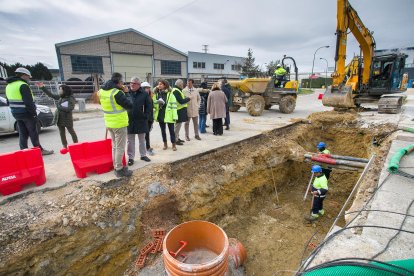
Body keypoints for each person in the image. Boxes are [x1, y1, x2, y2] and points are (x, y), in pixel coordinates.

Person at [5, 67, 54, 155]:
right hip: (26, 113)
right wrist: (34, 114)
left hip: (16, 113)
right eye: (28, 76)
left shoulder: (9, 85)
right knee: (33, 132)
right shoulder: (23, 85)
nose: (28, 78)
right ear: (23, 75)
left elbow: (8, 101)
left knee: (22, 132)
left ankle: (23, 150)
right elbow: (28, 102)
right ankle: (39, 150)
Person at [98, 72, 133, 178]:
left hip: (109, 123)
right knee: (120, 147)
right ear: (118, 82)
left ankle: (116, 166)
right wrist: (127, 93)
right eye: (122, 82)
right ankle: (119, 169)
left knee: (114, 146)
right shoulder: (117, 93)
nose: (123, 84)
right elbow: (130, 105)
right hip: (119, 123)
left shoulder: (101, 91)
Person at [36, 82, 78, 149]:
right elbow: (51, 95)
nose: (59, 91)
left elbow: (70, 108)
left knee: (71, 132)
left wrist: (59, 107)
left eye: (61, 89)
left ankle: (76, 145)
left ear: (65, 91)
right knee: (62, 133)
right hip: (59, 118)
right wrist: (43, 87)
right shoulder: (61, 97)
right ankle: (64, 146)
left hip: (67, 118)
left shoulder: (70, 98)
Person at [125, 77, 152, 166]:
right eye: (131, 83)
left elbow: (149, 106)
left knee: (142, 140)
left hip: (141, 120)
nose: (132, 84)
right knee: (130, 140)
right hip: (129, 120)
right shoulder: (126, 93)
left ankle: (143, 155)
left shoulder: (144, 94)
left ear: (139, 85)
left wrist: (146, 116)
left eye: (134, 83)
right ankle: (131, 158)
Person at [153, 79, 178, 151]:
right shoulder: (156, 94)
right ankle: (165, 144)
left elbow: (174, 106)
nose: (159, 85)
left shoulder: (170, 94)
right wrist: (156, 103)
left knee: (171, 131)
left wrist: (174, 116)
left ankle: (174, 145)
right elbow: (154, 103)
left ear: (165, 85)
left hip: (169, 114)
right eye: (158, 84)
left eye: (161, 84)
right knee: (162, 130)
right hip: (160, 114)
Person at [172, 79, 190, 145]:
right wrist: (188, 98)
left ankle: (177, 137)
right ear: (180, 84)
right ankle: (175, 139)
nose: (183, 85)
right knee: (177, 126)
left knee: (178, 125)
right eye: (182, 84)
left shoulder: (177, 90)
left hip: (179, 110)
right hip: (178, 110)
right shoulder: (176, 91)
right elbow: (181, 101)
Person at [141, 81, 155, 156]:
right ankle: (146, 149)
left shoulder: (149, 96)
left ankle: (148, 147)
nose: (148, 90)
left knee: (147, 134)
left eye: (149, 88)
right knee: (144, 135)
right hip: (144, 119)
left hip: (149, 118)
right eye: (146, 88)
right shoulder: (141, 97)